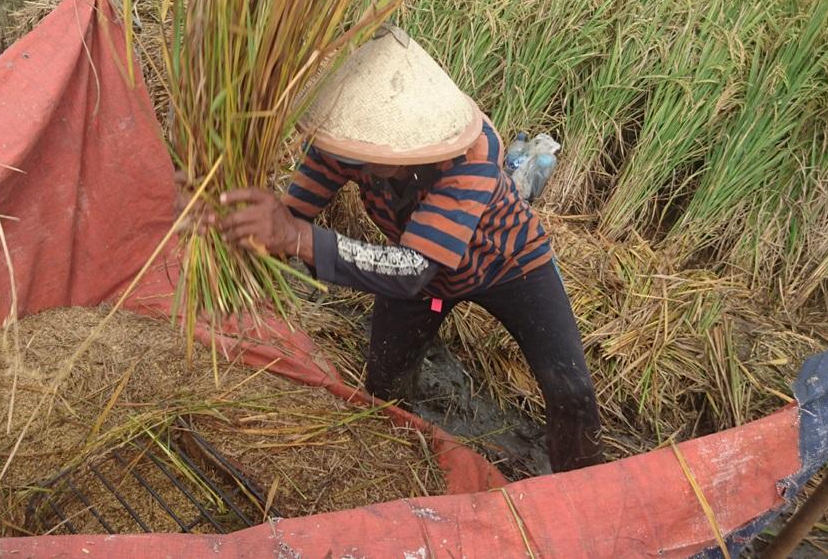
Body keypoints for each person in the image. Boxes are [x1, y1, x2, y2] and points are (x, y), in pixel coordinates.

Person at [209, 26, 603, 472]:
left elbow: (410, 267)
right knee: (383, 386)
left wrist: (298, 240)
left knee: (571, 390)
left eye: (379, 147)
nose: (361, 160)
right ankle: (400, 469)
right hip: (420, 275)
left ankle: (580, 489)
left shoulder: (471, 152)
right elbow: (292, 216)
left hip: (509, 265)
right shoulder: (345, 141)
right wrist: (237, 225)